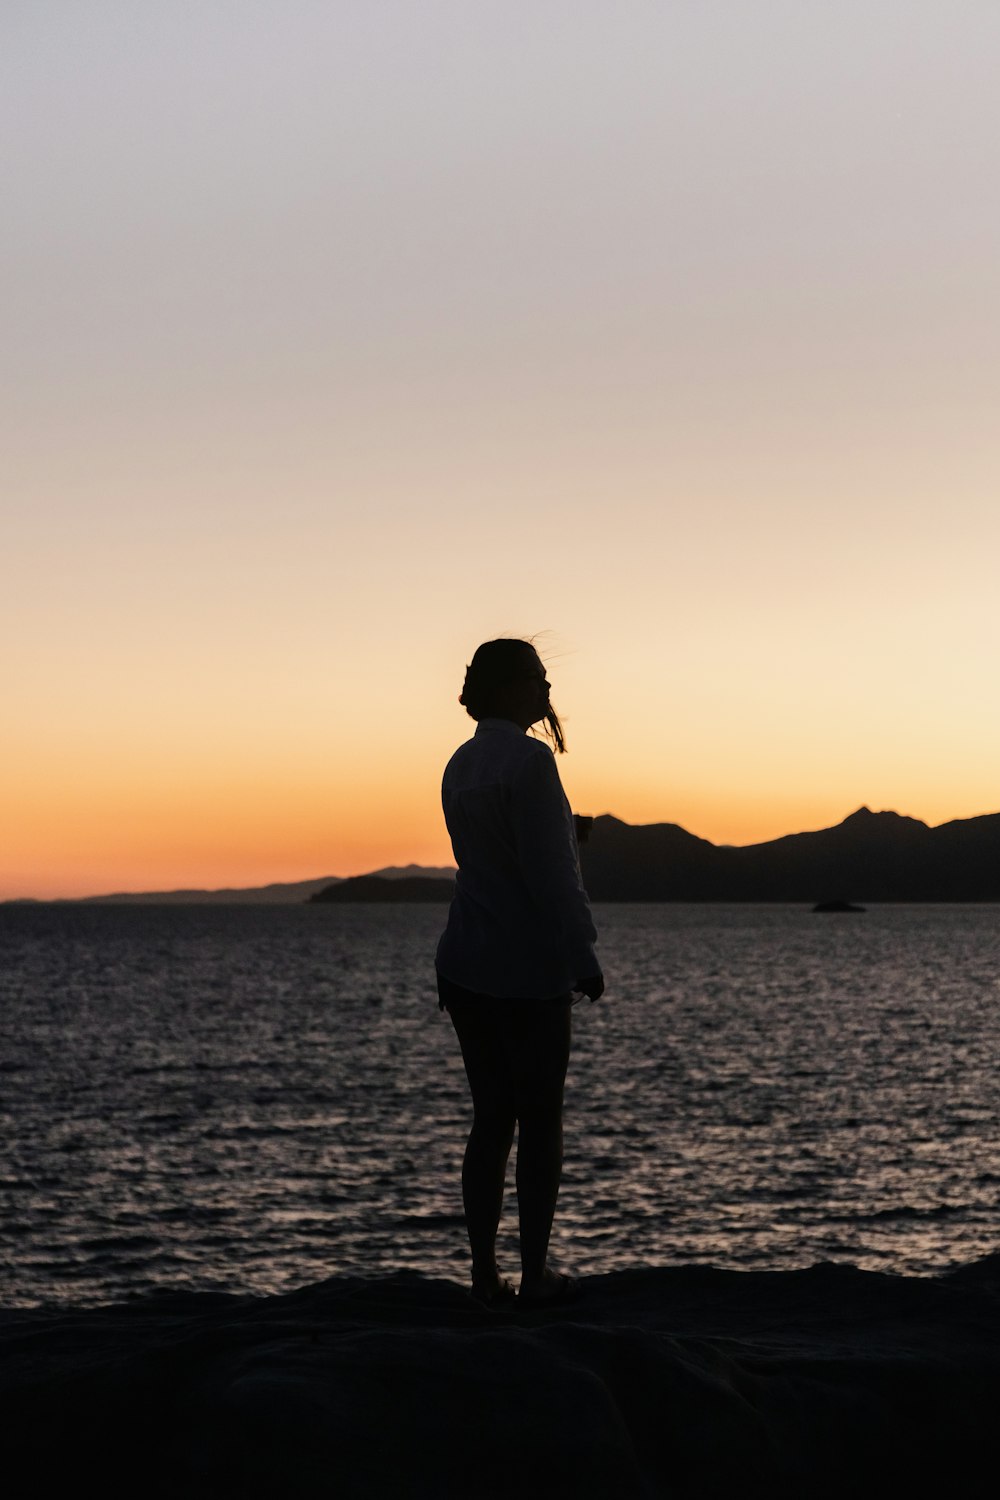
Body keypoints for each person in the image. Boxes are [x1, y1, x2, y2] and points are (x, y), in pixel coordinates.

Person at [436, 638, 604, 1308]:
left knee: (490, 1120)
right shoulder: (532, 763)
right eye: (538, 681)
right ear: (511, 688)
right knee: (540, 1122)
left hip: (467, 960)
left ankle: (484, 1278)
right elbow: (551, 878)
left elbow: (494, 857)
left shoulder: (460, 764)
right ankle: (534, 1280)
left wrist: (564, 827)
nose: (545, 693)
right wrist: (584, 955)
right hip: (526, 970)